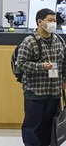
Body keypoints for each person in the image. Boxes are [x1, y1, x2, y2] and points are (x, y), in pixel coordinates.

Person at [16, 8, 66, 146]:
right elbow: (20, 64)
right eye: (50, 20)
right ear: (40, 22)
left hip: (54, 93)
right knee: (32, 127)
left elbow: (65, 62)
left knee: (50, 127)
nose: (53, 24)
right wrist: (41, 66)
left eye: (55, 21)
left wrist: (64, 79)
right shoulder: (29, 42)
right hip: (35, 93)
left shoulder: (59, 41)